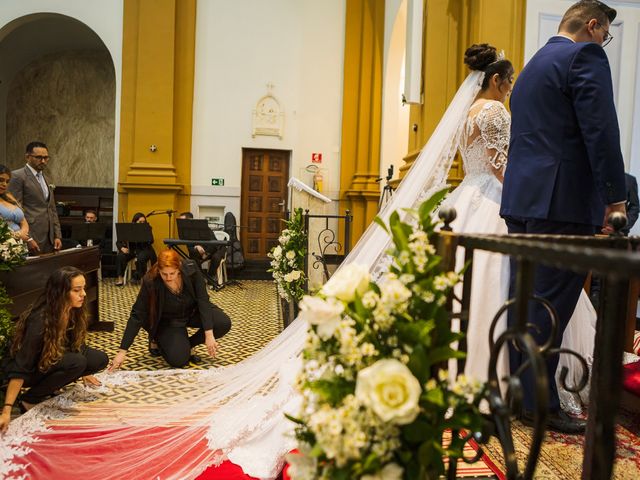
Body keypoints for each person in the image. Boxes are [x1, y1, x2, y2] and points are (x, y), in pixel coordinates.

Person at [500, 0, 626, 434]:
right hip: (564, 203)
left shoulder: (533, 66)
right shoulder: (585, 56)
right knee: (550, 306)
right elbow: (601, 130)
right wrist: (616, 199)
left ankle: (521, 394)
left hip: (522, 201)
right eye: (605, 33)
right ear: (593, 26)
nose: (603, 41)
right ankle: (540, 405)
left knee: (524, 302)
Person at [0, 266, 108, 432]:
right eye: (77, 290)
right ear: (61, 292)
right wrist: (7, 409)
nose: (84, 294)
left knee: (99, 359)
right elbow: (22, 364)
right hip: (27, 368)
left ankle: (54, 382)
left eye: (83, 288)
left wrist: (86, 373)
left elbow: (74, 343)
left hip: (49, 356)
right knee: (77, 362)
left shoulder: (72, 310)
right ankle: (29, 398)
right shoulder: (40, 320)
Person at [109, 249, 231, 369]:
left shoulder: (191, 269)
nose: (168, 278)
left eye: (172, 273)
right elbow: (137, 314)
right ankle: (158, 340)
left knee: (223, 323)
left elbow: (203, 300)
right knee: (178, 360)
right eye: (164, 274)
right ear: (159, 270)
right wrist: (122, 351)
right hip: (169, 320)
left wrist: (208, 334)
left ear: (179, 268)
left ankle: (188, 344)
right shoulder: (150, 280)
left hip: (192, 312)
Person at [8, 141, 62, 254]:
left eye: (46, 158)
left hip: (50, 237)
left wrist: (57, 235)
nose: (43, 161)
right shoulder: (18, 176)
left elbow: (51, 208)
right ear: (27, 157)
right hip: (32, 234)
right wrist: (28, 238)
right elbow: (16, 209)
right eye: (39, 157)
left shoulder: (47, 178)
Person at [178, 211, 226, 283]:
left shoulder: (203, 227)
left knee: (216, 257)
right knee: (193, 256)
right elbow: (190, 249)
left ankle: (210, 277)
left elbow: (214, 244)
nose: (181, 224)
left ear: (189, 220)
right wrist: (196, 246)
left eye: (182, 221)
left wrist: (206, 253)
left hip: (212, 250)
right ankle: (200, 278)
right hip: (199, 253)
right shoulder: (186, 232)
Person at [0, 164, 37, 251]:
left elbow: (23, 222)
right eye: (1, 180)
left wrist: (22, 234)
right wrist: (17, 235)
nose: (4, 184)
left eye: (7, 181)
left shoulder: (9, 196)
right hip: (4, 247)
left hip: (19, 245)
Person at [115, 212, 157, 286]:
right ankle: (120, 278)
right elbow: (118, 242)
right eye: (140, 222)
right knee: (120, 256)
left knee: (141, 258)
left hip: (144, 249)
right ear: (135, 222)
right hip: (132, 250)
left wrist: (145, 235)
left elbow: (151, 241)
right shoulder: (129, 229)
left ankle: (140, 277)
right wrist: (122, 248)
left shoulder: (147, 228)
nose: (142, 223)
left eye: (144, 222)